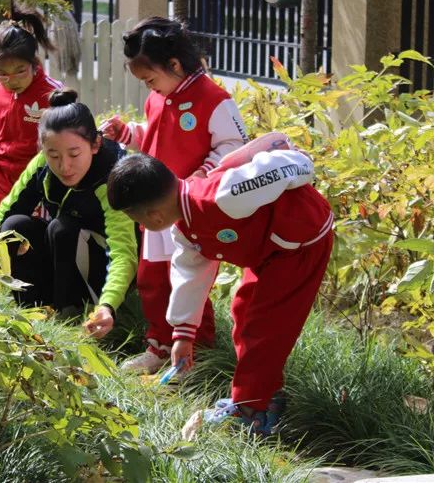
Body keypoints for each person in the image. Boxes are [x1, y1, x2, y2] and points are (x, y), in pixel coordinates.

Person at [106, 136, 333, 435]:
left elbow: (276, 166)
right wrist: (183, 334)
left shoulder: (224, 195)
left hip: (301, 244)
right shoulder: (185, 227)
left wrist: (301, 160)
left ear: (154, 215)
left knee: (264, 328)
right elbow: (190, 274)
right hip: (270, 251)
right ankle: (267, 393)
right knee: (243, 312)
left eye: (135, 218)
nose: (140, 227)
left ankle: (251, 409)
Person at [100, 16, 248, 374]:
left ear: (175, 65)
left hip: (188, 207)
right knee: (152, 279)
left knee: (189, 282)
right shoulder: (159, 98)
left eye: (150, 79)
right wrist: (127, 133)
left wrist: (202, 174)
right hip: (155, 204)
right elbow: (154, 137)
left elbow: (234, 147)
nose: (149, 87)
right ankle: (158, 347)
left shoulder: (215, 99)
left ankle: (200, 353)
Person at [0, 89, 137, 326]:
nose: (64, 166)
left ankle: (71, 315)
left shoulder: (115, 176)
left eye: (74, 154)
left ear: (96, 144)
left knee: (63, 228)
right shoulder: (42, 166)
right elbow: (3, 213)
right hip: (64, 261)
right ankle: (30, 314)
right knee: (13, 226)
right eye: (53, 155)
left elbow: (124, 252)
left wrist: (108, 305)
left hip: (102, 270)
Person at [0, 7, 63, 210]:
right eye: (1, 73)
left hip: (40, 185)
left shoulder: (53, 94)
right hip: (2, 184)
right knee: (2, 238)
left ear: (34, 63)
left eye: (19, 71)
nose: (11, 81)